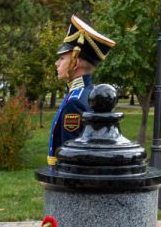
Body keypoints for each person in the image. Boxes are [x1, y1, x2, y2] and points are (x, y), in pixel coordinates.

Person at [47, 15, 116, 165]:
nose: (56, 63)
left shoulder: (75, 102)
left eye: (62, 59)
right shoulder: (86, 94)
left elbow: (70, 158)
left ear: (75, 63)